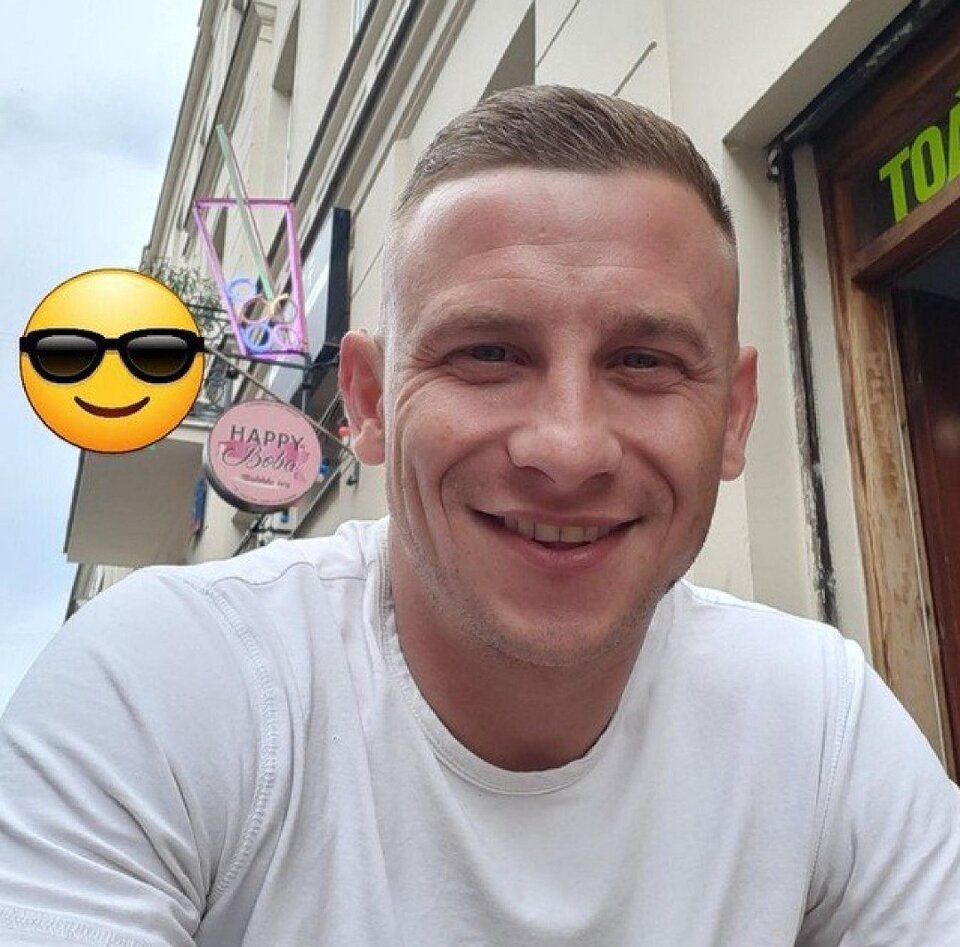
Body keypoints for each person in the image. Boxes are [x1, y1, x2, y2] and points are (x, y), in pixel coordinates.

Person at [1, 85, 958, 947]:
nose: (569, 447)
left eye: (644, 362)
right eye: (488, 353)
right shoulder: (167, 685)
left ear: (735, 417)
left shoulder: (819, 722)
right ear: (368, 403)